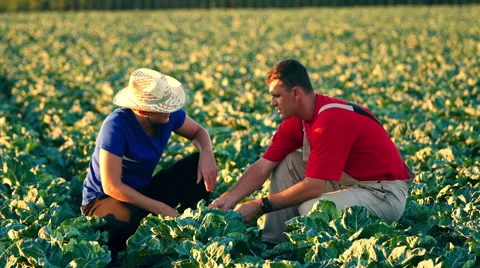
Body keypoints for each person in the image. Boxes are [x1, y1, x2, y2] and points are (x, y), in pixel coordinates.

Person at [210, 59, 414, 245]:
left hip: (382, 193)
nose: (272, 102)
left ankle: (322, 255)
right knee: (288, 161)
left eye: (276, 96)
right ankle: (274, 245)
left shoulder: (329, 120)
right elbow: (263, 166)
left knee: (312, 210)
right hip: (350, 181)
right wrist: (229, 198)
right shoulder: (297, 118)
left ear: (296, 93)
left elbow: (314, 187)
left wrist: (260, 205)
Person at [81, 68, 218, 255]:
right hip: (103, 200)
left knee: (196, 164)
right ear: (142, 110)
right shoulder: (116, 125)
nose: (169, 110)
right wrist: (161, 208)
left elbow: (198, 132)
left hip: (141, 190)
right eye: (162, 107)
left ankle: (191, 225)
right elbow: (112, 186)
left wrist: (207, 153)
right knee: (133, 224)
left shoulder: (168, 116)